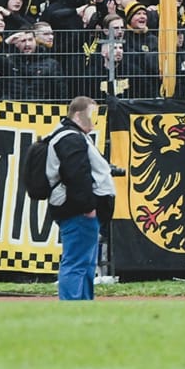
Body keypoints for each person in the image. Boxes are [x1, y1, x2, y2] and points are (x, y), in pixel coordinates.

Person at [44, 95, 122, 301]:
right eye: (92, 114)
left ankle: (83, 306)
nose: (95, 120)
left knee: (85, 263)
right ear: (79, 115)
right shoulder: (71, 138)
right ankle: (72, 306)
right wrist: (89, 207)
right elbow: (77, 175)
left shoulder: (71, 136)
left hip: (78, 210)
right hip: (78, 211)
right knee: (77, 262)